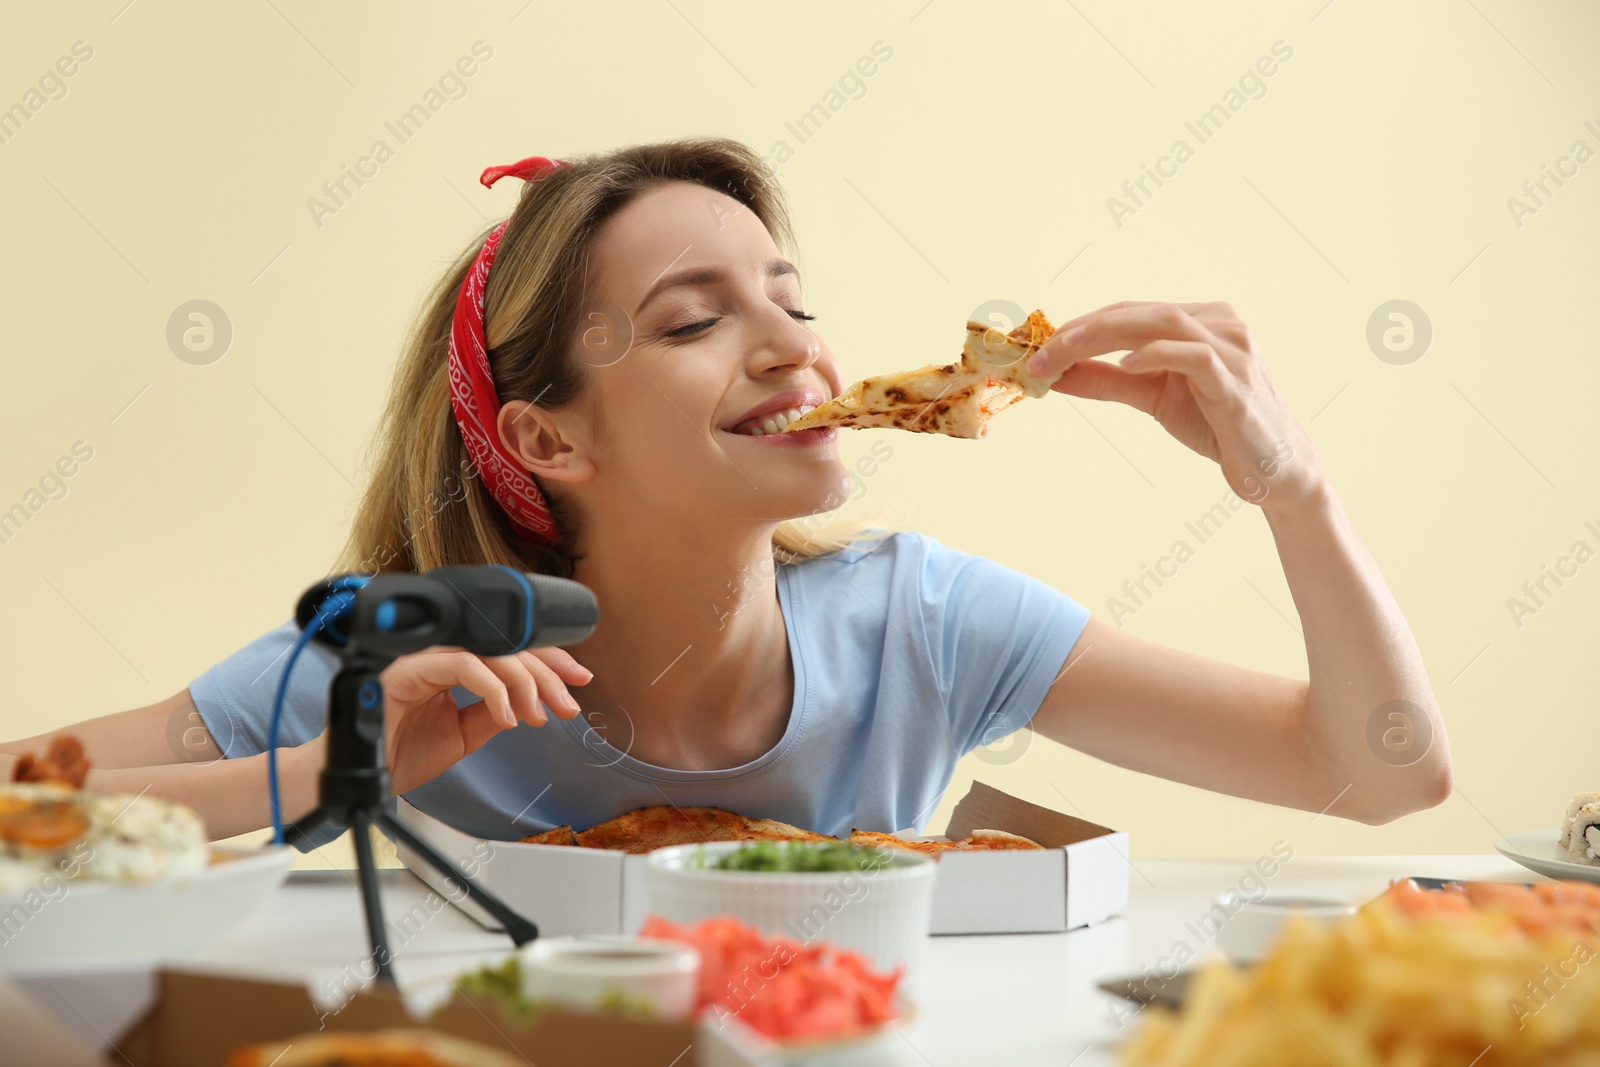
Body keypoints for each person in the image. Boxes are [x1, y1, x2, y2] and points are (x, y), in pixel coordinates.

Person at [0, 137, 1452, 848]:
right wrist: (335, 772)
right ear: (551, 439)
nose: (794, 347)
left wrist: (1294, 490)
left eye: (793, 298)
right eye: (695, 322)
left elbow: (1381, 774)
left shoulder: (922, 621)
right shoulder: (403, 660)